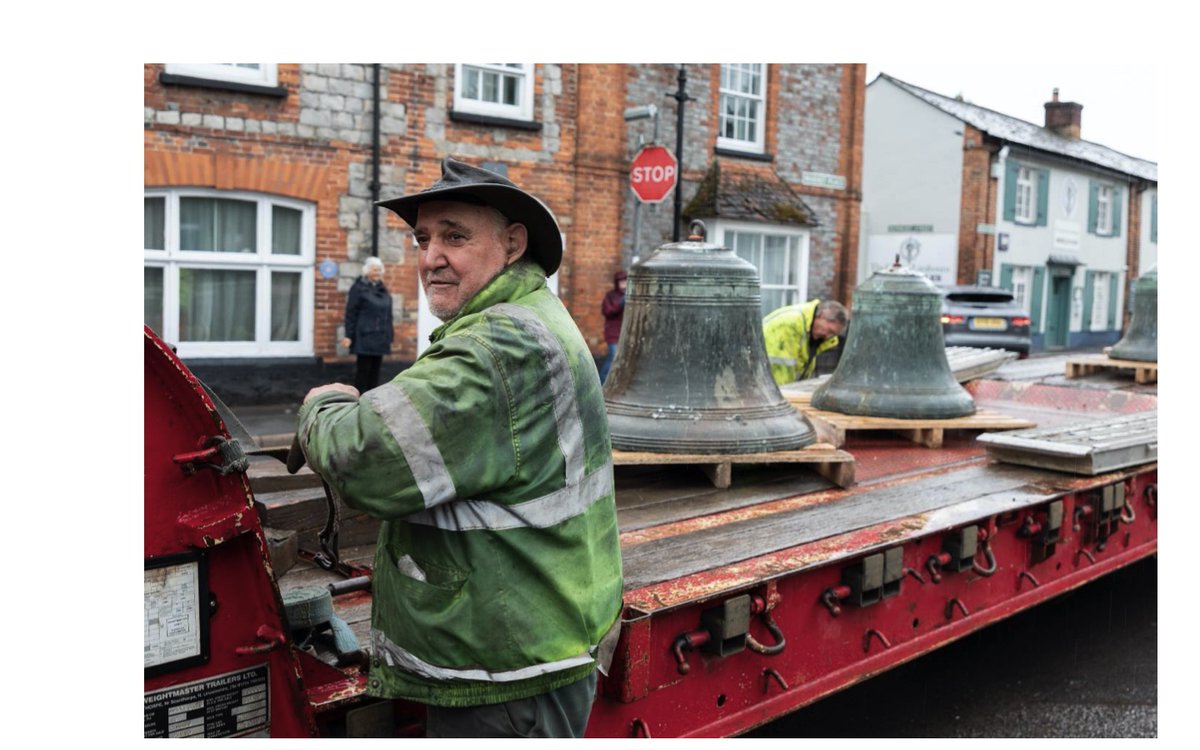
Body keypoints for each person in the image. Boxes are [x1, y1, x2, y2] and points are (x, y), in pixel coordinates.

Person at [296, 158, 624, 738]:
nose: (429, 258)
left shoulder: (498, 347)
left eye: (455, 236)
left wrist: (324, 403)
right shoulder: (527, 318)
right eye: (422, 239)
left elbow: (365, 457)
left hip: (506, 669)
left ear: (513, 243)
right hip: (532, 636)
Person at [762, 298, 849, 385]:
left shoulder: (810, 332)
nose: (828, 337)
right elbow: (781, 372)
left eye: (833, 334)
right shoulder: (791, 324)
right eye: (830, 330)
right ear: (822, 316)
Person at [341, 256, 394, 393]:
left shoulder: (383, 290)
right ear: (367, 271)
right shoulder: (358, 288)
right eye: (374, 270)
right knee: (363, 372)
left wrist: (389, 335)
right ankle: (359, 400)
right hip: (364, 336)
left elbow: (388, 315)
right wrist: (348, 335)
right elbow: (351, 313)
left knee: (375, 373)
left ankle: (371, 403)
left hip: (380, 337)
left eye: (379, 270)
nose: (377, 273)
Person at [598, 270, 627, 383]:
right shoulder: (611, 296)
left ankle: (615, 382)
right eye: (621, 282)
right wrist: (620, 304)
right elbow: (607, 311)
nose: (623, 285)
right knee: (613, 356)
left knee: (621, 358)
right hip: (612, 332)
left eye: (625, 282)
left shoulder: (629, 296)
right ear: (617, 283)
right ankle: (601, 381)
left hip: (624, 332)